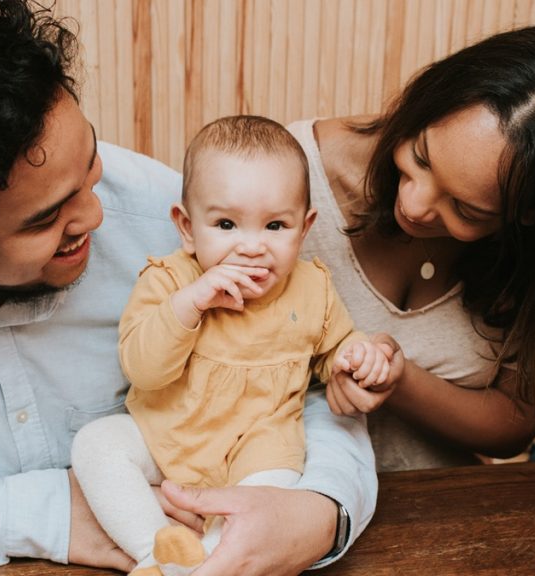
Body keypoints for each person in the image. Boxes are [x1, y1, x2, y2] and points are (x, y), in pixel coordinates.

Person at [0, 1, 375, 574]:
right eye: (44, 220)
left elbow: (296, 375)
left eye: (89, 165)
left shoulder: (169, 215)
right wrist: (43, 514)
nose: (96, 215)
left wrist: (323, 509)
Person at [290, 26, 535, 471]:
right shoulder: (291, 174)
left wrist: (399, 381)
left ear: (530, 216)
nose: (413, 206)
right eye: (420, 156)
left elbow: (514, 425)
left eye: (466, 209)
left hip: (443, 511)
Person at [71, 115, 401, 576]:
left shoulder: (312, 289)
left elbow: (335, 352)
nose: (251, 246)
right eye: (226, 224)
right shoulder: (168, 280)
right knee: (96, 444)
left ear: (304, 229)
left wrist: (357, 357)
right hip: (165, 435)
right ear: (187, 227)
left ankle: (212, 558)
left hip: (259, 449)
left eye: (275, 226)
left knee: (274, 493)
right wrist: (190, 305)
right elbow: (142, 370)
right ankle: (153, 551)